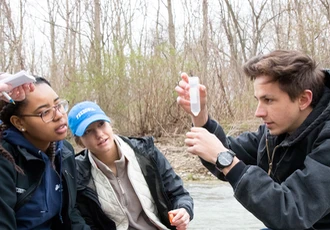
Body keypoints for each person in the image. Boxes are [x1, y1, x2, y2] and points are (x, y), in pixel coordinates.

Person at [175, 50, 330, 229]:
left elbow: (291, 212)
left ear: (304, 99)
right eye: (258, 100)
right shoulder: (278, 131)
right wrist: (200, 116)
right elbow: (227, 153)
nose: (259, 111)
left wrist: (225, 159)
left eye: (268, 100)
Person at [67, 101, 194, 230]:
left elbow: (179, 194)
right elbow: (82, 222)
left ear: (110, 124)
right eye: (88, 131)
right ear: (80, 142)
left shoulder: (146, 153)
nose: (99, 134)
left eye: (101, 124)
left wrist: (184, 210)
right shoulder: (77, 174)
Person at [0, 76, 90, 229]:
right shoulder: (6, 161)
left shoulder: (65, 151)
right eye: (45, 112)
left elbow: (70, 212)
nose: (59, 115)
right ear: (19, 122)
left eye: (58, 105)